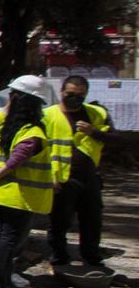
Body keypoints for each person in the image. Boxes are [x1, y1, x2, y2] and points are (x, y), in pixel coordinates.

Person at [0, 74, 57, 288]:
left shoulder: (8, 128)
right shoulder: (32, 132)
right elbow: (16, 160)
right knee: (8, 242)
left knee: (7, 241)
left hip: (9, 194)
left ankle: (3, 285)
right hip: (19, 196)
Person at [46, 75, 114, 269]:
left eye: (80, 95)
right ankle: (59, 259)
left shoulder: (96, 113)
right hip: (61, 177)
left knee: (92, 220)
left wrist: (94, 132)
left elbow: (115, 139)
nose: (75, 98)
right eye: (70, 94)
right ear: (61, 92)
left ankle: (92, 258)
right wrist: (48, 176)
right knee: (59, 221)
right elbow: (39, 148)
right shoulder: (48, 115)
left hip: (89, 177)